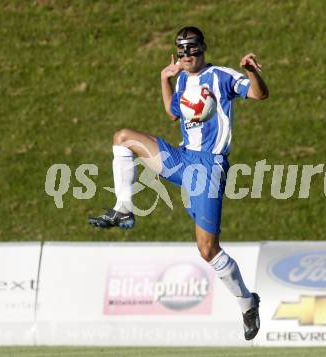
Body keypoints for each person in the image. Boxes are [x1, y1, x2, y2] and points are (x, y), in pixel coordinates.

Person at [88, 26, 269, 340]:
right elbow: (173, 113)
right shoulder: (184, 78)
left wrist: (252, 72)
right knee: (123, 139)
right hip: (182, 158)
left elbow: (259, 94)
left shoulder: (222, 77)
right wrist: (165, 80)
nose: (187, 55)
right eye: (182, 50)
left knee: (207, 249)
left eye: (193, 48)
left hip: (208, 168)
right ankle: (124, 209)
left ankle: (246, 302)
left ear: (203, 48)